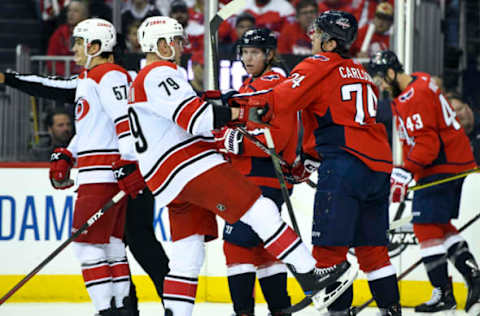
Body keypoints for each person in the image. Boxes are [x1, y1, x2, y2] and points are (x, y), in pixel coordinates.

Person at [130, 15, 357, 316]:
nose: (180, 47)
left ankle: (177, 312)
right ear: (160, 44)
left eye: (255, 52)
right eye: (174, 41)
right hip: (190, 165)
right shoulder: (161, 73)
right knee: (258, 215)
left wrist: (217, 104)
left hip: (166, 178)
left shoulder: (142, 80)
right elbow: (198, 120)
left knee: (188, 256)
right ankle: (309, 274)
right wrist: (233, 113)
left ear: (269, 54)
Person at [0, 18, 170, 316]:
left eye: (79, 43)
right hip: (110, 170)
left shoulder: (112, 75)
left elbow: (125, 123)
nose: (73, 49)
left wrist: (129, 162)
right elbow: (94, 125)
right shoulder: (91, 79)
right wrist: (69, 152)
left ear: (97, 46)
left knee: (113, 245)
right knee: (114, 245)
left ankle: (132, 307)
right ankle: (121, 307)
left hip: (116, 172)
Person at [237, 11, 402, 316]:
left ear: (328, 40)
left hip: (344, 167)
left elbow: (279, 101)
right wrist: (309, 161)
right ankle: (391, 311)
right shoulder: (359, 71)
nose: (310, 37)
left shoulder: (318, 64)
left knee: (328, 253)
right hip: (378, 168)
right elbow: (332, 116)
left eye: (315, 33)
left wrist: (232, 106)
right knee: (374, 252)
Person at [369, 50, 480, 313]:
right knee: (439, 226)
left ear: (393, 72)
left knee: (424, 227)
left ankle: (443, 292)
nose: (382, 86)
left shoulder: (412, 96)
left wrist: (406, 171)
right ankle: (474, 277)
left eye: (383, 79)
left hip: (439, 166)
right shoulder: (420, 80)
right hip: (452, 162)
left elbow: (427, 144)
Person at [213, 28, 300, 316]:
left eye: (255, 52)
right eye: (245, 52)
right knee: (264, 252)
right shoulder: (253, 84)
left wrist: (233, 132)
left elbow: (272, 133)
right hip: (252, 177)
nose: (248, 58)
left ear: (270, 54)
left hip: (258, 177)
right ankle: (280, 310)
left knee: (236, 247)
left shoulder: (273, 82)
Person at [47, 0, 89, 76]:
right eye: (69, 10)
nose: (71, 14)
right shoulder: (59, 33)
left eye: (76, 11)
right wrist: (66, 74)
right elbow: (51, 60)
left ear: (84, 15)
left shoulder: (91, 34)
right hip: (62, 77)